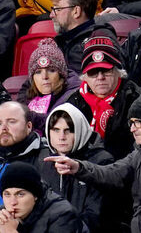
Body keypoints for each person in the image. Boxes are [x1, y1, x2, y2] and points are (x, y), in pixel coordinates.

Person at [45, 87, 141, 233]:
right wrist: (79, 167)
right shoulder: (139, 153)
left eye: (138, 122)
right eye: (131, 123)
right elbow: (111, 173)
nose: (132, 129)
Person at [35, 99, 114, 233]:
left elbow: (97, 213)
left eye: (68, 131)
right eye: (56, 130)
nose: (61, 137)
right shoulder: (41, 160)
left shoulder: (101, 160)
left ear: (80, 130)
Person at [0, 162, 84, 233]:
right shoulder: (3, 215)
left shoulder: (63, 215)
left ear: (35, 196)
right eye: (7, 194)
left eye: (20, 194)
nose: (12, 202)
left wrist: (11, 231)